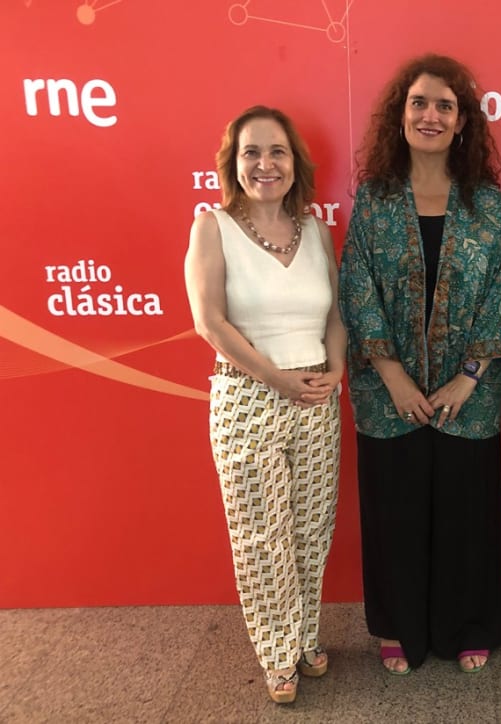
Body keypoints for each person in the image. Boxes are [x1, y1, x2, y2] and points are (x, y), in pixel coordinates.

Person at [338, 54, 501, 675]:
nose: (430, 114)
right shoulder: (374, 200)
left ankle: (468, 621)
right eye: (419, 102)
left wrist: (468, 376)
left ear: (462, 122)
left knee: (463, 508)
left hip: (465, 391)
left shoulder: (487, 205)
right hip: (384, 391)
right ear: (401, 116)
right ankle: (398, 626)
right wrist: (391, 373)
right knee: (395, 507)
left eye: (444, 106)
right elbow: (357, 285)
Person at [184, 106, 345, 704]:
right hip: (248, 395)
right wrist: (276, 378)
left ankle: (305, 636)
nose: (264, 164)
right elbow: (210, 321)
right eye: (250, 153)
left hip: (314, 399)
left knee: (310, 526)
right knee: (261, 535)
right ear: (233, 164)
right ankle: (277, 656)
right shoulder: (212, 226)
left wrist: (336, 370)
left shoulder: (316, 230)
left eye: (275, 151)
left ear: (293, 161)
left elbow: (334, 314)